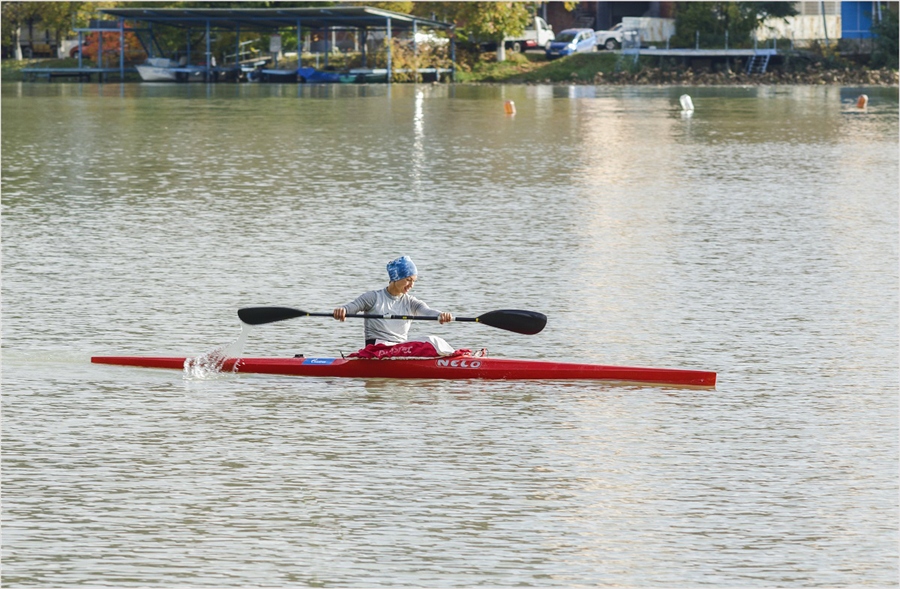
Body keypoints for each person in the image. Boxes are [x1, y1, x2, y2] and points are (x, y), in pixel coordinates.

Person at [333, 256, 452, 346]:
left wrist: (441, 315)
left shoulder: (411, 302)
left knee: (433, 341)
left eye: (414, 281)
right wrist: (342, 311)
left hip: (400, 349)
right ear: (396, 278)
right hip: (376, 349)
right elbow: (351, 307)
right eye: (408, 280)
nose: (411, 285)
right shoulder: (373, 297)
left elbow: (427, 311)